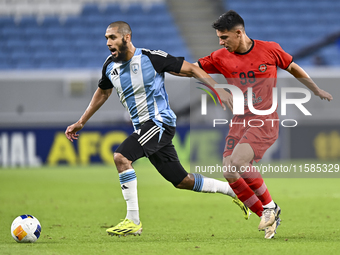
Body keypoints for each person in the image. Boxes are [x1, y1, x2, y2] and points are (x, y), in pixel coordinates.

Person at [64, 21, 250, 237]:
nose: (107, 43)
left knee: (121, 157)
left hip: (159, 122)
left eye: (112, 37)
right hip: (145, 128)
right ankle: (235, 191)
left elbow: (191, 68)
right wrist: (81, 121)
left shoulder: (151, 58)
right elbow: (103, 92)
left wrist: (217, 88)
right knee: (181, 181)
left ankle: (133, 221)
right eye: (106, 38)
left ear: (126, 38)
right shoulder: (109, 66)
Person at [191, 10, 333, 239]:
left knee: (238, 161)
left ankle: (270, 207)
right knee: (229, 171)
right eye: (219, 38)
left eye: (224, 37)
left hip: (264, 118)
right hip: (239, 120)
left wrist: (315, 89)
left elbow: (293, 67)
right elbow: (192, 68)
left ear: (239, 33)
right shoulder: (219, 56)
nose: (221, 42)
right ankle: (266, 216)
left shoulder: (269, 49)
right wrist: (214, 87)